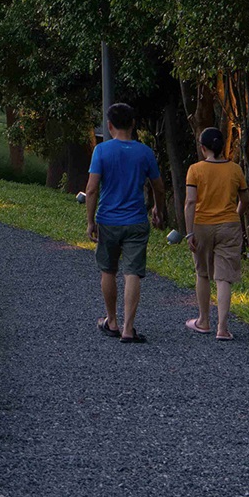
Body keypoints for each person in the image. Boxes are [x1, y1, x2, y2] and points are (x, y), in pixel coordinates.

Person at [84, 101, 167, 343]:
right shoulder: (145, 152)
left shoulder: (101, 151)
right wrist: (158, 210)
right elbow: (159, 187)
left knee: (108, 270)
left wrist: (90, 222)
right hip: (136, 221)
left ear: (109, 126)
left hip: (108, 220)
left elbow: (91, 189)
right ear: (132, 124)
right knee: (132, 272)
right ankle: (129, 329)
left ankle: (112, 321)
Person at [183, 127, 247, 340]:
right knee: (223, 278)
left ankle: (203, 321)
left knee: (202, 273)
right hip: (229, 225)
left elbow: (190, 201)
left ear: (203, 148)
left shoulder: (195, 170)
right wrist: (234, 216)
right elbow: (245, 201)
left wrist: (189, 232)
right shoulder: (235, 169)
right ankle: (223, 328)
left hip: (202, 225)